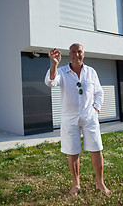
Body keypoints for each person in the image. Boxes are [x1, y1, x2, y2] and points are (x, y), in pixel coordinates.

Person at [45, 43, 111, 196]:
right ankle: (76, 184)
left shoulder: (91, 72)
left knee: (96, 149)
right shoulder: (61, 71)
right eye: (73, 52)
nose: (76, 54)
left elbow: (99, 92)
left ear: (83, 54)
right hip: (70, 118)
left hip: (89, 117)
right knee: (72, 152)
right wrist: (54, 64)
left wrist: (96, 109)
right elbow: (50, 82)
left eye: (79, 51)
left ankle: (100, 183)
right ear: (69, 54)